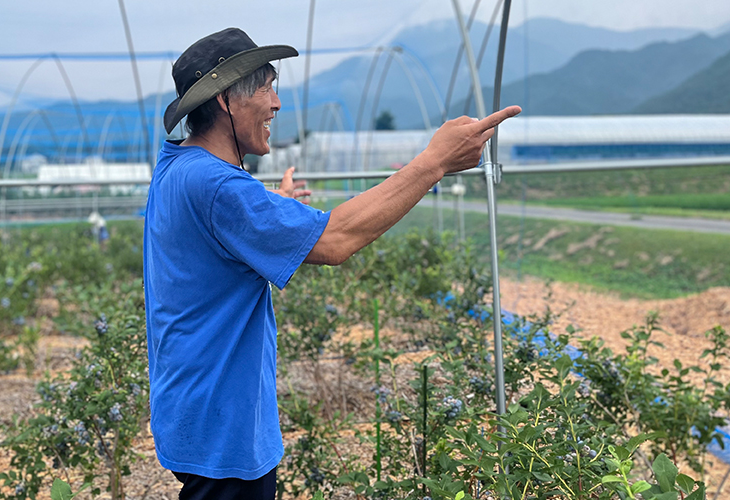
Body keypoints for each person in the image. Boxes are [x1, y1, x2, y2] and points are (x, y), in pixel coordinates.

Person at [143, 27, 520, 500]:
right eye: (265, 87)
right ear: (224, 102)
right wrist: (434, 162)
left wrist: (272, 208)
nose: (276, 103)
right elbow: (337, 239)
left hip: (189, 407)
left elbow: (216, 227)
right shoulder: (221, 190)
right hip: (223, 430)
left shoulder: (177, 167)